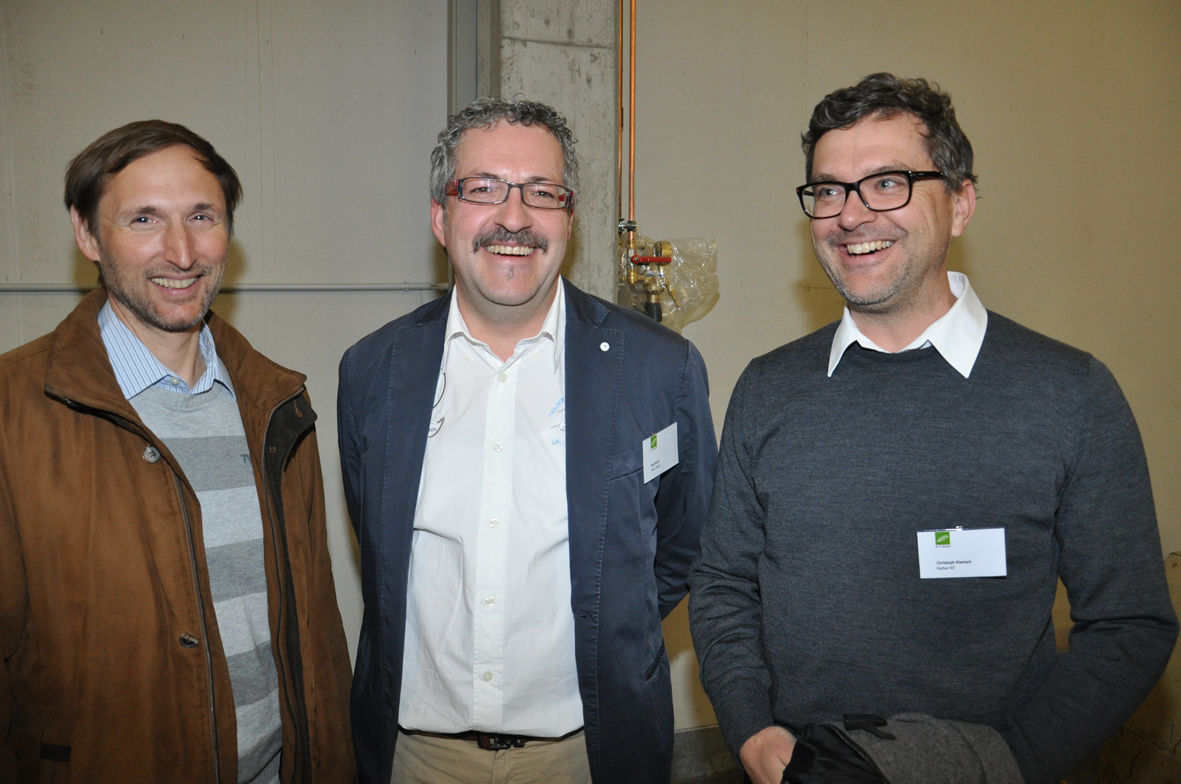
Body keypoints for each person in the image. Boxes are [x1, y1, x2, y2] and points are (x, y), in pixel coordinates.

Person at [688, 73, 1178, 784]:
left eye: (887, 183)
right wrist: (751, 731)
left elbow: (1130, 625)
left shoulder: (1070, 394)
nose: (851, 215)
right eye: (828, 190)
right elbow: (723, 583)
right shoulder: (768, 389)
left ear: (960, 204)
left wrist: (1008, 764)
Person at [338, 97, 717, 784]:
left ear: (568, 220)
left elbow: (681, 546)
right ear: (440, 216)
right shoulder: (373, 371)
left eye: (541, 192)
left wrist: (613, 622)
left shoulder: (660, 369)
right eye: (483, 189)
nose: (513, 218)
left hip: (587, 756)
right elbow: (378, 544)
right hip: (416, 755)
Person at [0, 120, 354, 783]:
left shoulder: (278, 405)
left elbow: (317, 635)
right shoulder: (13, 412)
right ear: (87, 235)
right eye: (143, 219)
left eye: (201, 216)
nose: (182, 252)